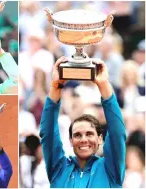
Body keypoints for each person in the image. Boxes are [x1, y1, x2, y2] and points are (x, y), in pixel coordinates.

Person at [39, 57, 126, 187]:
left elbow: (117, 133)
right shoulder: (59, 169)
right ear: (70, 141)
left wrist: (103, 85)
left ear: (100, 139)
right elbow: (48, 133)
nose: (83, 139)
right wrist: (56, 86)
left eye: (89, 134)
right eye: (77, 135)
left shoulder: (111, 169)